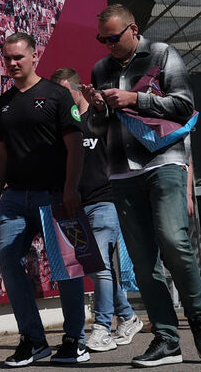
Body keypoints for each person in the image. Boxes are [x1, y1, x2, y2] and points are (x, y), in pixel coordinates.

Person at [87, 4, 201, 366]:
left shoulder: (162, 54)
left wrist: (136, 99)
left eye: (114, 37)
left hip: (164, 161)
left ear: (134, 29)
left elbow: (184, 104)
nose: (108, 44)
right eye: (103, 38)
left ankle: (199, 319)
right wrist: (97, 109)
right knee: (143, 261)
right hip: (121, 170)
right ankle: (166, 338)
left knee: (174, 241)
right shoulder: (100, 69)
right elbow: (99, 132)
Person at [0, 32, 86, 367]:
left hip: (55, 195)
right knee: (8, 261)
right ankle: (33, 340)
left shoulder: (57, 95)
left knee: (67, 269)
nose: (13, 64)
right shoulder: (3, 102)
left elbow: (75, 147)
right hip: (14, 199)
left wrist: (71, 188)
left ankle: (74, 339)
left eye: (19, 57)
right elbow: (1, 153)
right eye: (8, 59)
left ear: (33, 56)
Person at [49, 68, 142, 353]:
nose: (60, 100)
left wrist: (101, 107)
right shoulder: (64, 126)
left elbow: (109, 124)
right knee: (92, 266)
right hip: (75, 207)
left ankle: (101, 327)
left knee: (99, 264)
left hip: (104, 202)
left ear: (76, 89)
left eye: (64, 92)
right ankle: (127, 316)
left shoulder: (99, 118)